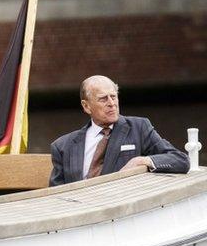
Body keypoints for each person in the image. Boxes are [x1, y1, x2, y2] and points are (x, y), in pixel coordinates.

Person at [49, 75, 190, 186]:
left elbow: (180, 160)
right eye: (103, 99)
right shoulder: (63, 146)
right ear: (86, 106)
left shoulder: (139, 128)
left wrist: (142, 161)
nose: (112, 103)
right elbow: (55, 195)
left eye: (114, 96)